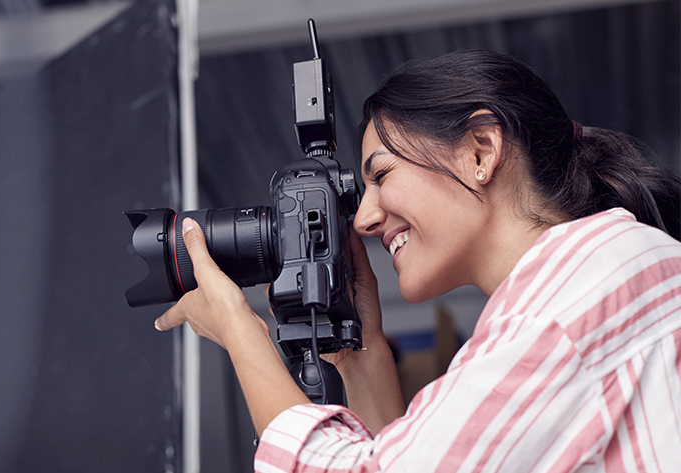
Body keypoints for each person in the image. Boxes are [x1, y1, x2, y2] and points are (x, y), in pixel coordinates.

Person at [154, 50, 681, 472]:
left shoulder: (577, 294)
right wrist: (363, 357)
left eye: (380, 176)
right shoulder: (593, 276)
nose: (362, 219)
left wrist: (240, 331)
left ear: (480, 151)